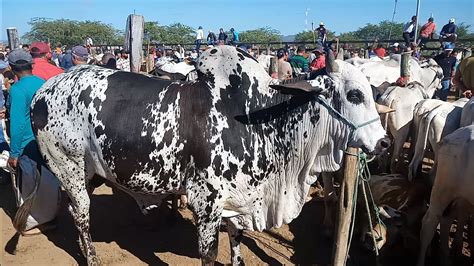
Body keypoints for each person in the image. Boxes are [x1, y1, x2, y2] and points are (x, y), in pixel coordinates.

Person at [5, 48, 46, 175]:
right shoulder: (43, 82)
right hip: (46, 142)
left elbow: (18, 124)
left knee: (32, 189)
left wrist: (14, 153)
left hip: (28, 147)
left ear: (11, 67)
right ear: (31, 65)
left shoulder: (17, 90)